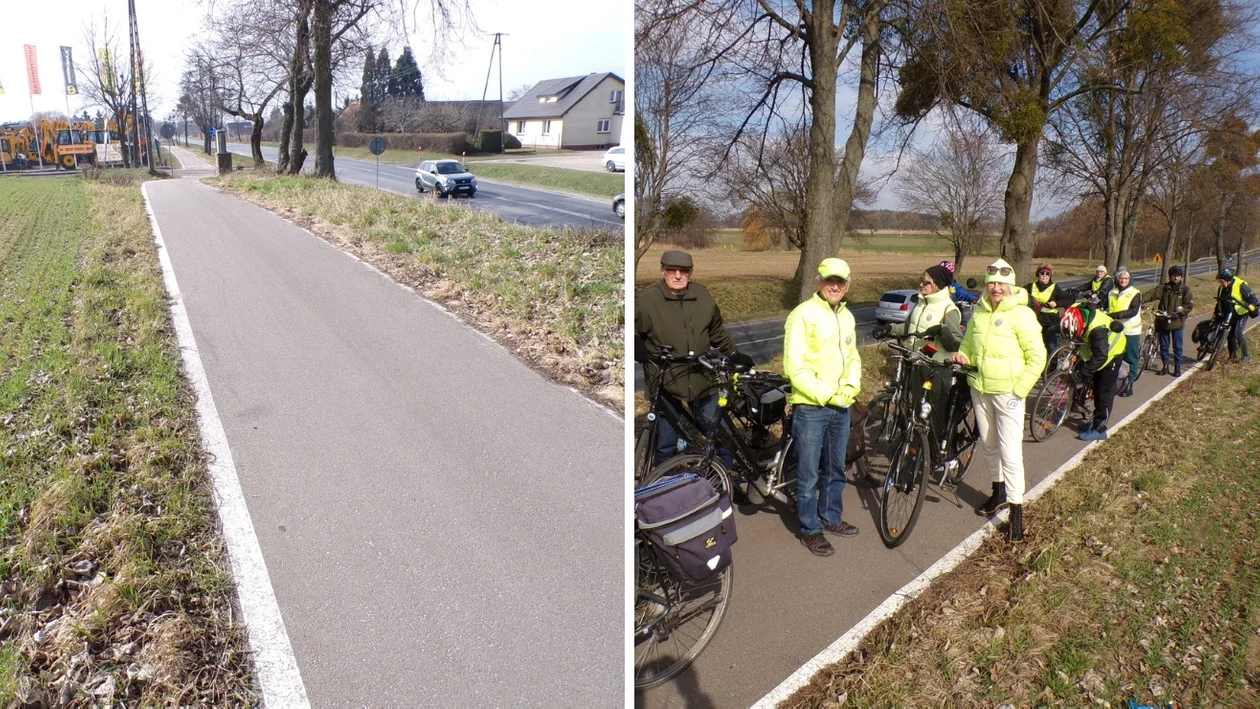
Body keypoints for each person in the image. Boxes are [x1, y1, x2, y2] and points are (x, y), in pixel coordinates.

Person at [951, 259, 1045, 542]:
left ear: (1011, 284)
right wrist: (963, 356)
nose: (996, 288)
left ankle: (1017, 511)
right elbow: (968, 344)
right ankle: (998, 491)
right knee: (990, 446)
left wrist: (1019, 390)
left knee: (1010, 452)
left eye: (1002, 283)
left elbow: (1038, 357)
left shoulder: (1022, 314)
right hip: (980, 388)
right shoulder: (979, 311)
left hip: (1008, 394)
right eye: (991, 283)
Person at [634, 250, 754, 467]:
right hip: (665, 377)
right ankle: (666, 485)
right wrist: (635, 343)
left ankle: (728, 479)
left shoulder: (702, 295)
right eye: (672, 270)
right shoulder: (646, 299)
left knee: (720, 434)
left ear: (690, 273)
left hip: (700, 375)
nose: (678, 275)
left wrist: (733, 353)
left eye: (684, 271)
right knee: (666, 441)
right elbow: (630, 326)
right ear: (663, 271)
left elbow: (716, 330)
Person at [783, 258, 863, 557]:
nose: (835, 286)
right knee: (808, 473)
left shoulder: (847, 316)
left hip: (841, 405)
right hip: (812, 406)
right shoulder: (803, 315)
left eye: (840, 282)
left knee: (835, 466)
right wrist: (825, 394)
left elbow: (853, 357)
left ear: (847, 284)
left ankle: (831, 517)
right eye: (829, 280)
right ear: (819, 281)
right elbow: (795, 365)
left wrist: (851, 387)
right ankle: (810, 528)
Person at [873, 263, 964, 463]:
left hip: (937, 368)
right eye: (921, 281)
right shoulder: (920, 303)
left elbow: (955, 342)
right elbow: (908, 327)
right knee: (916, 409)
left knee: (936, 414)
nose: (921, 285)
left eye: (926, 282)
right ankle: (916, 448)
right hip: (915, 362)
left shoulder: (949, 309)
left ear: (938, 285)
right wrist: (889, 328)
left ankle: (943, 456)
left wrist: (942, 330)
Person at [1062, 299, 1127, 441]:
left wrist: (1081, 373)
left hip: (1111, 354)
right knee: (1095, 387)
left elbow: (1100, 357)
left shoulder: (1098, 330)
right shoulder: (1075, 310)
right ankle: (1095, 421)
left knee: (1103, 393)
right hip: (1098, 350)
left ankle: (1100, 428)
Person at [1142, 265, 1193, 377]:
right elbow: (1152, 294)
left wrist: (1179, 313)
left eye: (1178, 276)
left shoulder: (1185, 290)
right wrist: (1141, 300)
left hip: (1177, 323)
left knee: (1177, 347)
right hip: (1163, 321)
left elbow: (1189, 305)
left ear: (1181, 277)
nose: (1175, 278)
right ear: (1170, 276)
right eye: (1173, 276)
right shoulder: (1164, 288)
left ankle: (1177, 367)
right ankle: (1165, 366)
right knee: (1164, 346)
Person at [1107, 267, 1143, 396]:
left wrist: (1115, 315)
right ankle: (1116, 382)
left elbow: (1133, 311)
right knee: (1115, 357)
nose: (1123, 280)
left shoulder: (1135, 293)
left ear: (1129, 280)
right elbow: (1106, 306)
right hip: (1115, 330)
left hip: (1130, 331)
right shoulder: (1112, 292)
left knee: (1130, 358)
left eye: (1126, 278)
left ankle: (1129, 384)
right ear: (1118, 279)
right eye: (1121, 278)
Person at [1214, 268, 1260, 362]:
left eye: (1222, 281)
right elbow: (1220, 301)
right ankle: (1232, 356)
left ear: (1228, 280)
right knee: (1229, 335)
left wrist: (1251, 305)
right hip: (1229, 313)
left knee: (1237, 333)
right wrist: (1217, 312)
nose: (1221, 284)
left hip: (1241, 313)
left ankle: (1246, 356)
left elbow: (1252, 297)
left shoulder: (1240, 284)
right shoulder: (1222, 288)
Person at [1025, 263, 1067, 354]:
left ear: (1050, 276)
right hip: (1034, 322)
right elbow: (1019, 293)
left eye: (1047, 273)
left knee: (1051, 346)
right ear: (1038, 275)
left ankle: (1052, 367)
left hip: (1050, 323)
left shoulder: (1055, 288)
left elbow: (1067, 300)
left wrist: (1056, 303)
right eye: (1042, 273)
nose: (1044, 275)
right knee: (1035, 346)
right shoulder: (1030, 286)